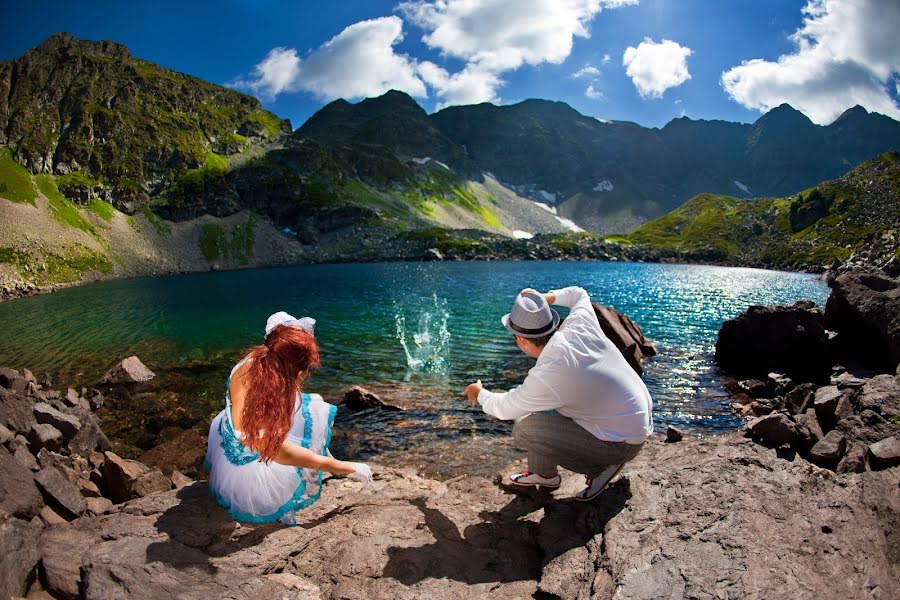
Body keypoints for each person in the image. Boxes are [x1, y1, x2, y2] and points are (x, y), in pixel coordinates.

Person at [465, 287, 653, 502]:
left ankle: (600, 468)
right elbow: (579, 295)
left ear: (521, 340)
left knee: (525, 427)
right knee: (537, 407)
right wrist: (544, 299)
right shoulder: (578, 325)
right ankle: (545, 475)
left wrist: (479, 393)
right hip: (633, 419)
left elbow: (504, 409)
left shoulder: (550, 372)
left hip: (621, 442)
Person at [206, 311, 373, 524]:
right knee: (311, 415)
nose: (306, 372)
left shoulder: (257, 358)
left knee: (315, 404)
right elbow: (280, 453)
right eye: (305, 368)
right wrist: (348, 467)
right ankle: (327, 459)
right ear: (294, 368)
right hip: (250, 460)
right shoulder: (264, 401)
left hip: (227, 427)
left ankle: (324, 452)